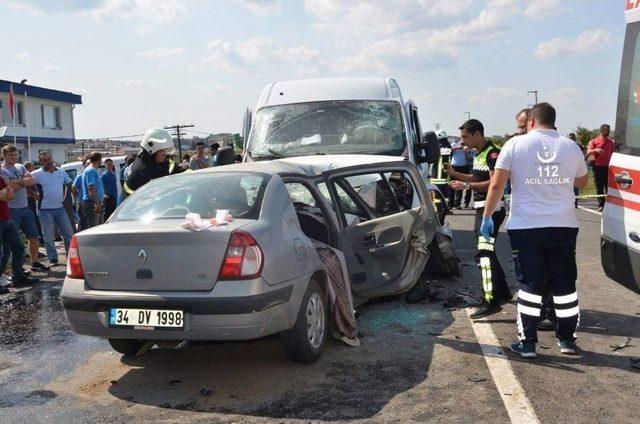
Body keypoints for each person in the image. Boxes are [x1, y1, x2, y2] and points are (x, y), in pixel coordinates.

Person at [481, 102, 588, 358]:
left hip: (526, 226)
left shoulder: (515, 145)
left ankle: (528, 343)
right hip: (563, 225)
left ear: (531, 122)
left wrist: (487, 216)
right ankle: (566, 340)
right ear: (553, 121)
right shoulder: (570, 146)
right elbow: (582, 181)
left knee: (530, 284)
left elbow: (497, 185)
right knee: (564, 285)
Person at [444, 119, 511, 319]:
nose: (463, 142)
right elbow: (476, 178)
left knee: (483, 254)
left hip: (491, 210)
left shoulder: (493, 153)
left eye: (465, 137)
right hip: (482, 208)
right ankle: (503, 293)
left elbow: (494, 182)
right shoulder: (479, 154)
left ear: (478, 134)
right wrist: (455, 174)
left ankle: (489, 300)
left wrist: (467, 188)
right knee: (487, 252)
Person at [0, 146, 48, 272]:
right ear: (4, 155)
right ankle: (15, 270)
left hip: (25, 207)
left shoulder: (20, 167)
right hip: (11, 210)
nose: (14, 157)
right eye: (11, 155)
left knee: (34, 236)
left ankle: (35, 262)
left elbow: (31, 180)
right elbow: (8, 187)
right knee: (12, 245)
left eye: (16, 154)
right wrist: (22, 182)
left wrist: (18, 182)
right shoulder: (2, 170)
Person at [31, 151, 74, 267]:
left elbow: (69, 184)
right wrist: (34, 194)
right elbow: (27, 185)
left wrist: (65, 197)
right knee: (48, 235)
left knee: (68, 233)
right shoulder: (36, 174)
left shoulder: (60, 171)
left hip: (60, 208)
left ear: (52, 158)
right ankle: (53, 258)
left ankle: (70, 257)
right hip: (44, 210)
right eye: (44, 160)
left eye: (49, 158)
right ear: (41, 162)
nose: (48, 161)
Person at [123, 128, 181, 199]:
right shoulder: (140, 174)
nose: (166, 154)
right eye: (164, 151)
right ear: (152, 150)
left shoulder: (163, 162)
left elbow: (180, 172)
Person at [587, 124, 615, 212]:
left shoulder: (611, 142)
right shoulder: (594, 141)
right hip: (597, 167)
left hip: (608, 167)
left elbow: (613, 153)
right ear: (601, 130)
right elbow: (588, 151)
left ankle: (609, 204)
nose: (608, 131)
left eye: (609, 130)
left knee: (608, 187)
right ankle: (601, 204)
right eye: (607, 130)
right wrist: (596, 150)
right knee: (599, 187)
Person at [81, 152, 104, 228]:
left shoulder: (93, 170)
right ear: (99, 160)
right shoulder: (90, 171)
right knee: (94, 228)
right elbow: (91, 188)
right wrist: (97, 203)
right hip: (92, 203)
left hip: (94, 202)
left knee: (99, 227)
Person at [449, 136, 472, 209]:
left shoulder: (467, 146)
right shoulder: (454, 144)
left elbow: (470, 158)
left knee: (463, 186)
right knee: (453, 185)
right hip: (454, 167)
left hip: (464, 167)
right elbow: (449, 151)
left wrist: (466, 152)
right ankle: (453, 204)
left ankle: (462, 203)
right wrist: (455, 149)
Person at [23, 161, 43, 242]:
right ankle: (39, 238)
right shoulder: (26, 176)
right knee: (34, 218)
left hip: (32, 199)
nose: (34, 168)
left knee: (35, 218)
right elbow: (27, 188)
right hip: (29, 199)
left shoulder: (31, 176)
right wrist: (36, 195)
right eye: (32, 166)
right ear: (28, 167)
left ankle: (40, 237)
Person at [72, 158, 89, 231]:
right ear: (84, 165)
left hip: (91, 203)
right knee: (83, 223)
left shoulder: (94, 173)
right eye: (87, 164)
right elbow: (73, 188)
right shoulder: (80, 175)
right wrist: (76, 200)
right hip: (82, 203)